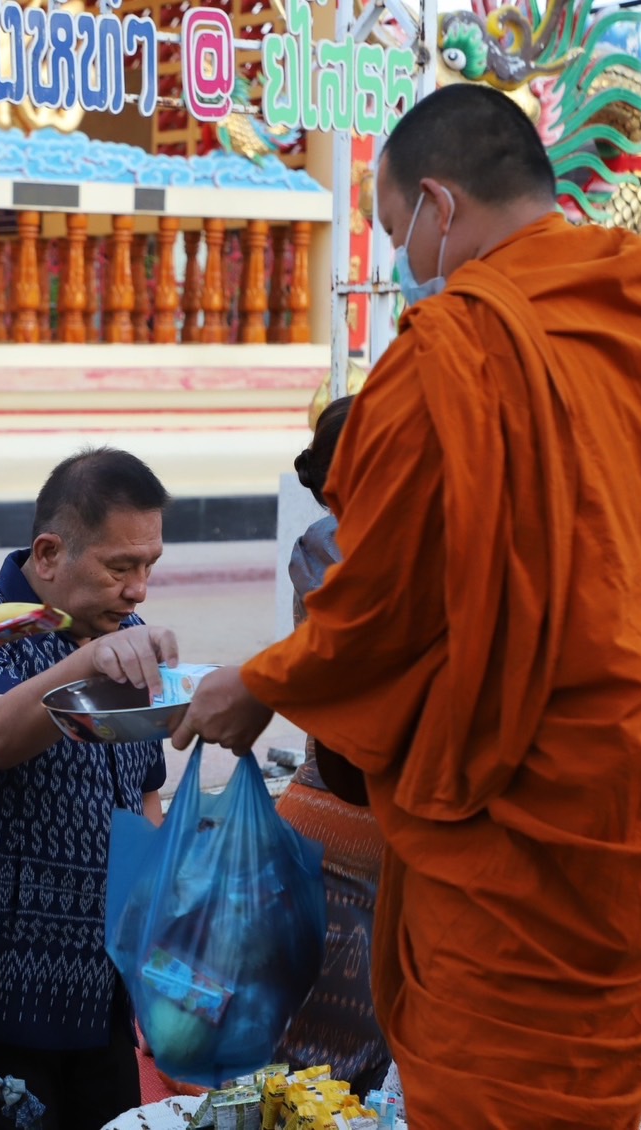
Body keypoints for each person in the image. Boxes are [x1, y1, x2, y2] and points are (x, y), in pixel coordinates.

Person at [173, 84, 641, 1129]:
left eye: (396, 232)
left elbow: (377, 608)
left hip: (525, 814)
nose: (405, 259)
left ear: (438, 204)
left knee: (490, 1093)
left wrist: (258, 683)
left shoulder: (448, 352)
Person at [0, 447, 178, 1130]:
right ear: (49, 553)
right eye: (120, 568)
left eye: (149, 566)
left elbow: (145, 791)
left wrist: (159, 907)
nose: (138, 590)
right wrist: (85, 663)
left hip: (98, 990)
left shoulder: (126, 636)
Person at [271, 396, 390, 1094]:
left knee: (326, 1076)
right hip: (354, 831)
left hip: (353, 823)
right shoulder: (335, 547)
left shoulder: (324, 543)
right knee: (334, 1079)